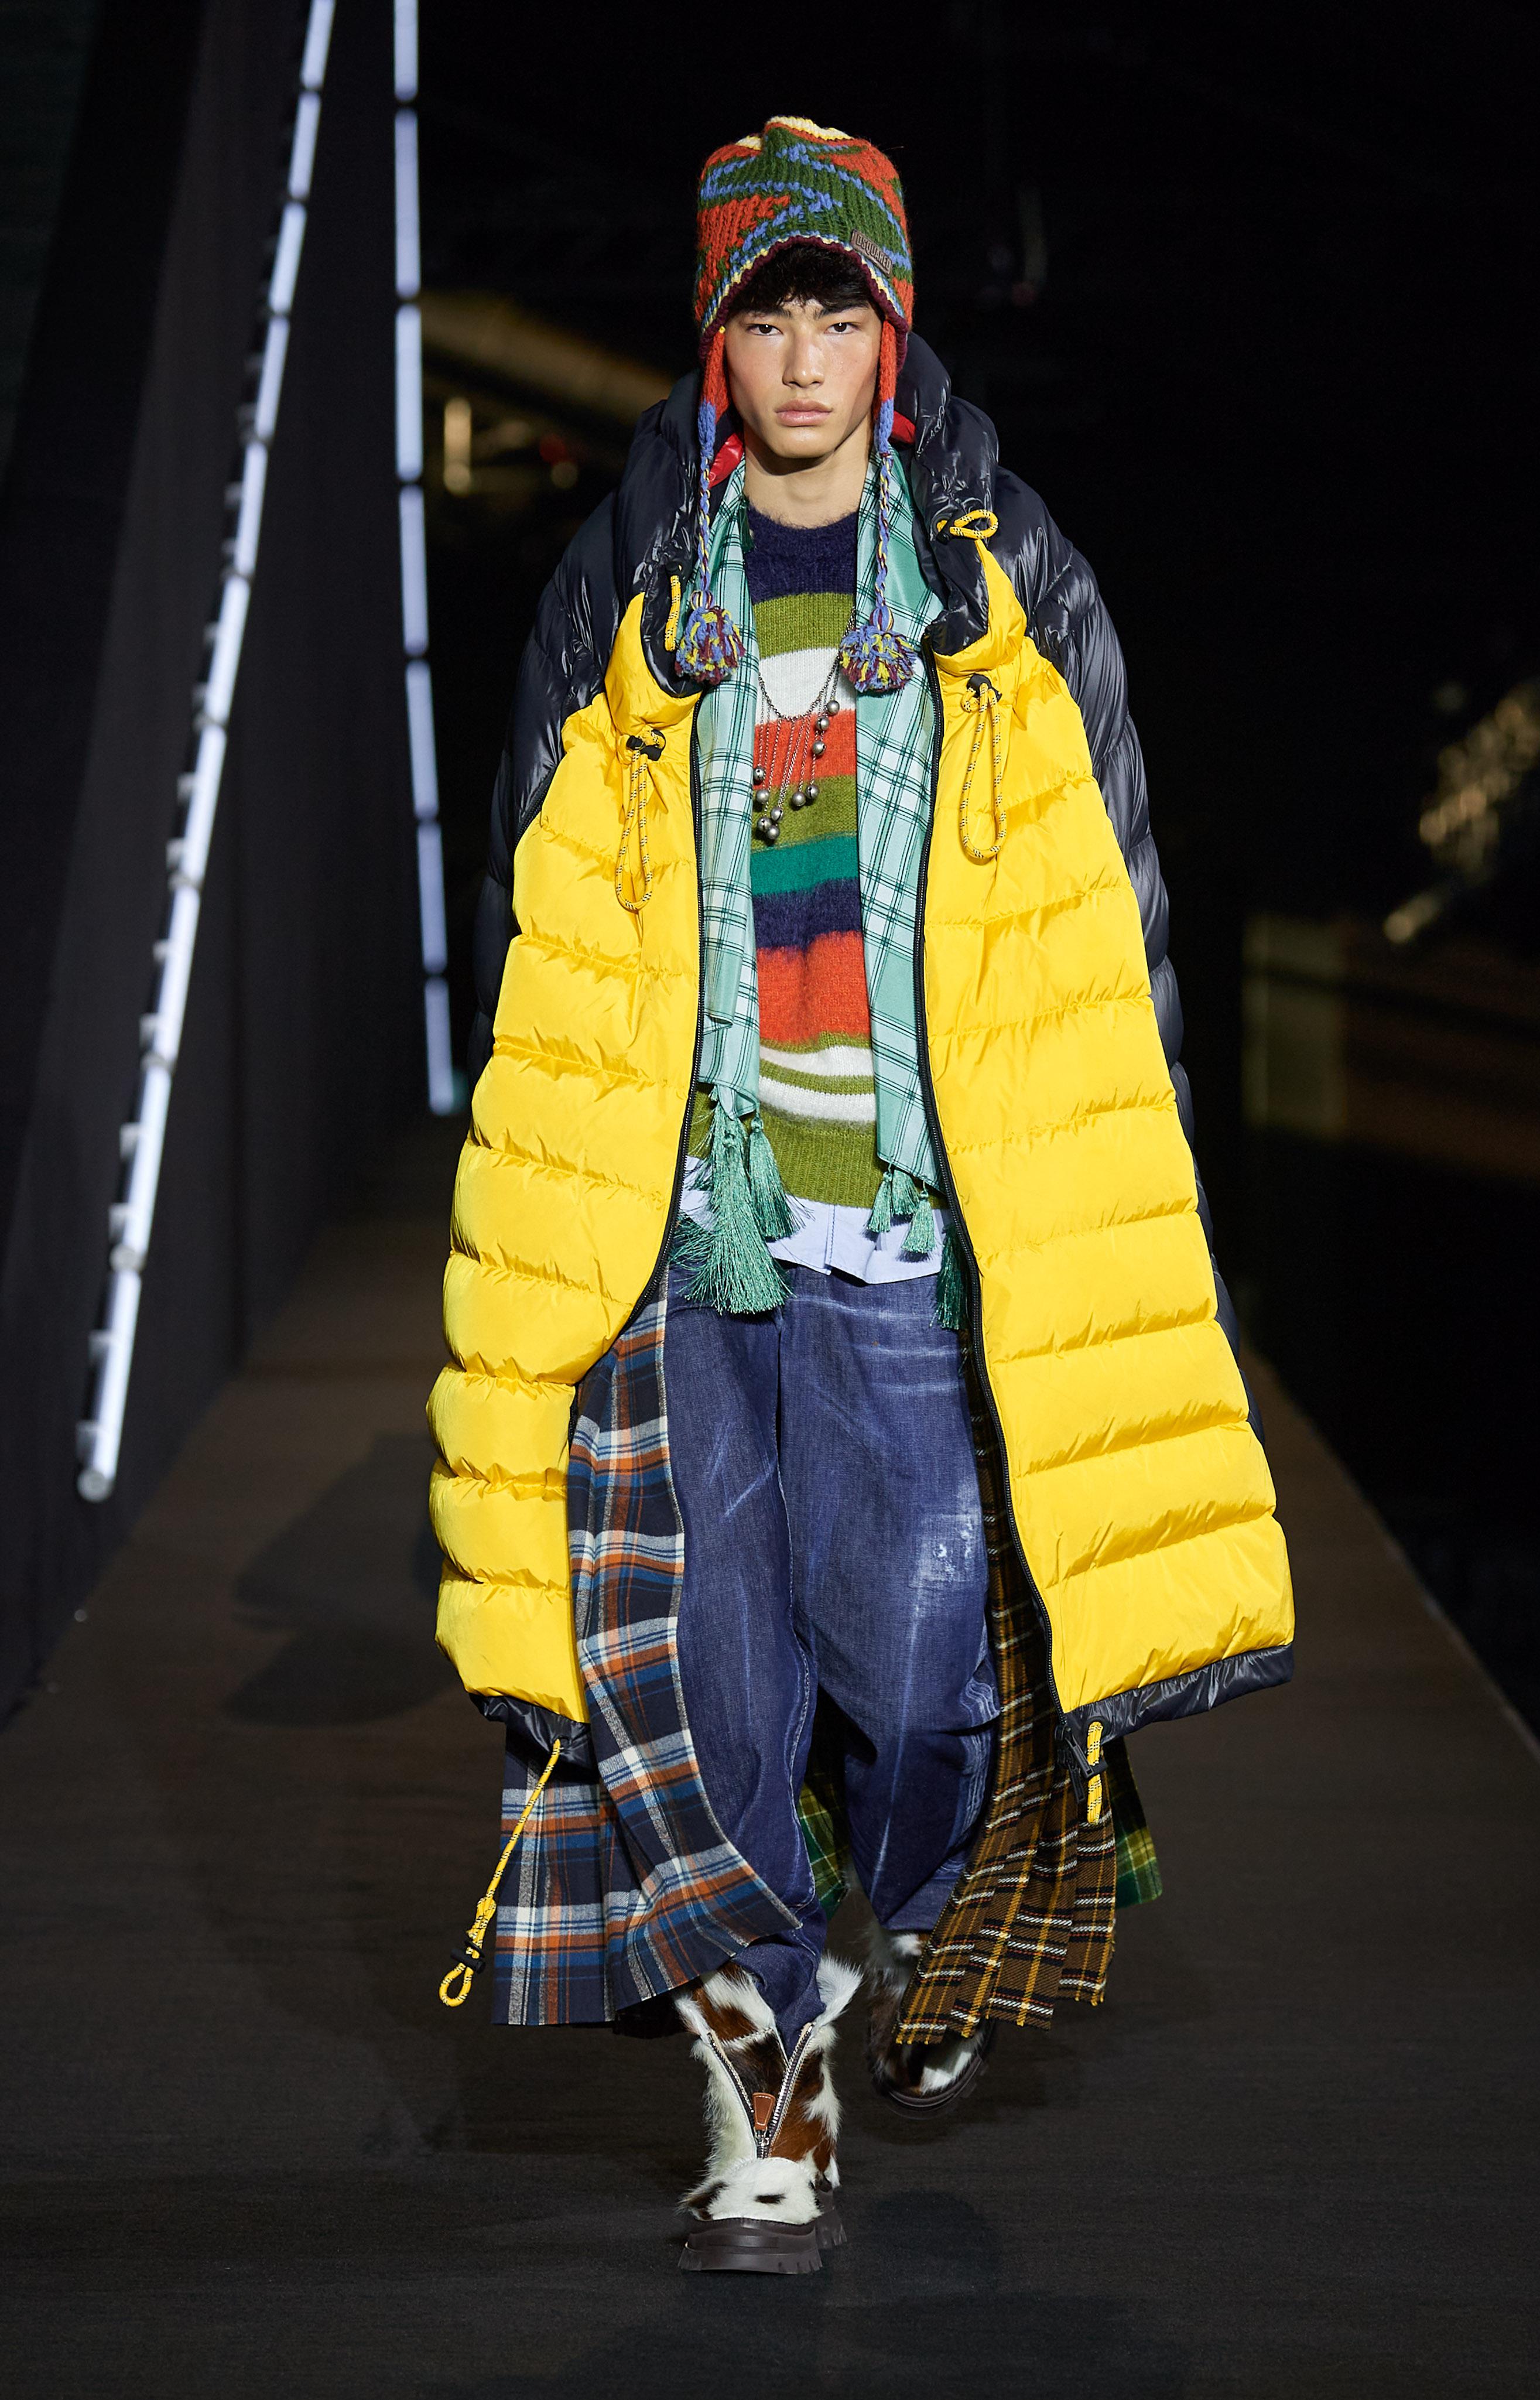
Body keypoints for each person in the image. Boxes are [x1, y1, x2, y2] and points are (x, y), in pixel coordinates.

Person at [429, 117, 1293, 2277]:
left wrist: (1135, 1198)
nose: (802, 357)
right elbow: (533, 909)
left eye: (836, 311)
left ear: (890, 330)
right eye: (764, 316)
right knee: (702, 1680)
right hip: (684, 1222)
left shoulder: (1003, 576)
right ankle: (768, 2073)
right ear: (712, 341)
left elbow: (1111, 912)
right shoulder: (629, 584)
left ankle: (900, 1909)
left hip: (904, 1215)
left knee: (921, 1675)